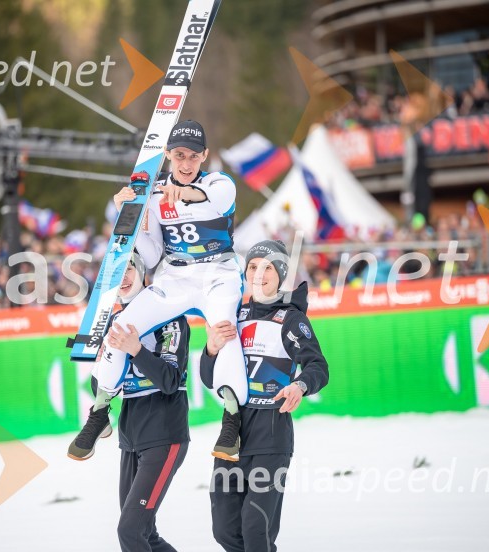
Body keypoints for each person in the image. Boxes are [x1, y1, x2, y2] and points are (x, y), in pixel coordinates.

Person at [72, 120, 248, 460]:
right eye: (179, 155)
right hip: (175, 277)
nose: (186, 164)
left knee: (224, 330)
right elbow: (151, 255)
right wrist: (129, 214)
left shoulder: (218, 182)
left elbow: (218, 202)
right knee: (121, 327)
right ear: (167, 154)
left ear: (205, 156)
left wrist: (184, 194)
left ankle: (231, 419)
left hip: (217, 273)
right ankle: (100, 411)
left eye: (193, 156)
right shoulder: (154, 194)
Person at [201, 240, 330, 552]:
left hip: (271, 438)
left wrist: (300, 386)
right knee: (224, 531)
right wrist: (211, 349)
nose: (259, 273)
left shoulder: (290, 318)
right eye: (253, 266)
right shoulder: (233, 314)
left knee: (256, 529)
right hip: (231, 437)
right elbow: (208, 378)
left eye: (268, 267)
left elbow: (318, 366)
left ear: (281, 274)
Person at [69, 254, 190, 552]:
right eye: (117, 272)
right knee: (145, 535)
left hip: (164, 434)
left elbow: (170, 381)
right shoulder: (112, 321)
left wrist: (136, 349)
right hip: (131, 438)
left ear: (142, 272)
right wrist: (100, 361)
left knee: (130, 531)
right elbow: (103, 387)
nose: (123, 277)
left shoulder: (170, 317)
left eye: (129, 269)